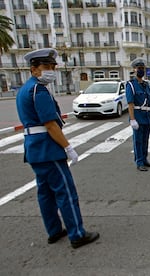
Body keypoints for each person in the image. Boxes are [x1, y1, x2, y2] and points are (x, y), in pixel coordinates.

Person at [16, 48, 99, 248]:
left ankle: (54, 231)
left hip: (34, 149)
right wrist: (68, 147)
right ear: (34, 69)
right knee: (65, 192)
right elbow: (51, 125)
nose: (51, 70)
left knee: (45, 192)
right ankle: (77, 234)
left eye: (53, 67)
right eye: (46, 67)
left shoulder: (25, 89)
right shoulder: (39, 90)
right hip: (47, 148)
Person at [126, 58, 150, 171]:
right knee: (138, 141)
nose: (141, 70)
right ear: (134, 70)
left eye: (143, 68)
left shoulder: (146, 85)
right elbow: (130, 104)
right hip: (138, 117)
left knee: (145, 140)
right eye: (139, 68)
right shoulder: (131, 85)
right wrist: (132, 119)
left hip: (147, 117)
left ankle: (144, 159)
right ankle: (139, 162)